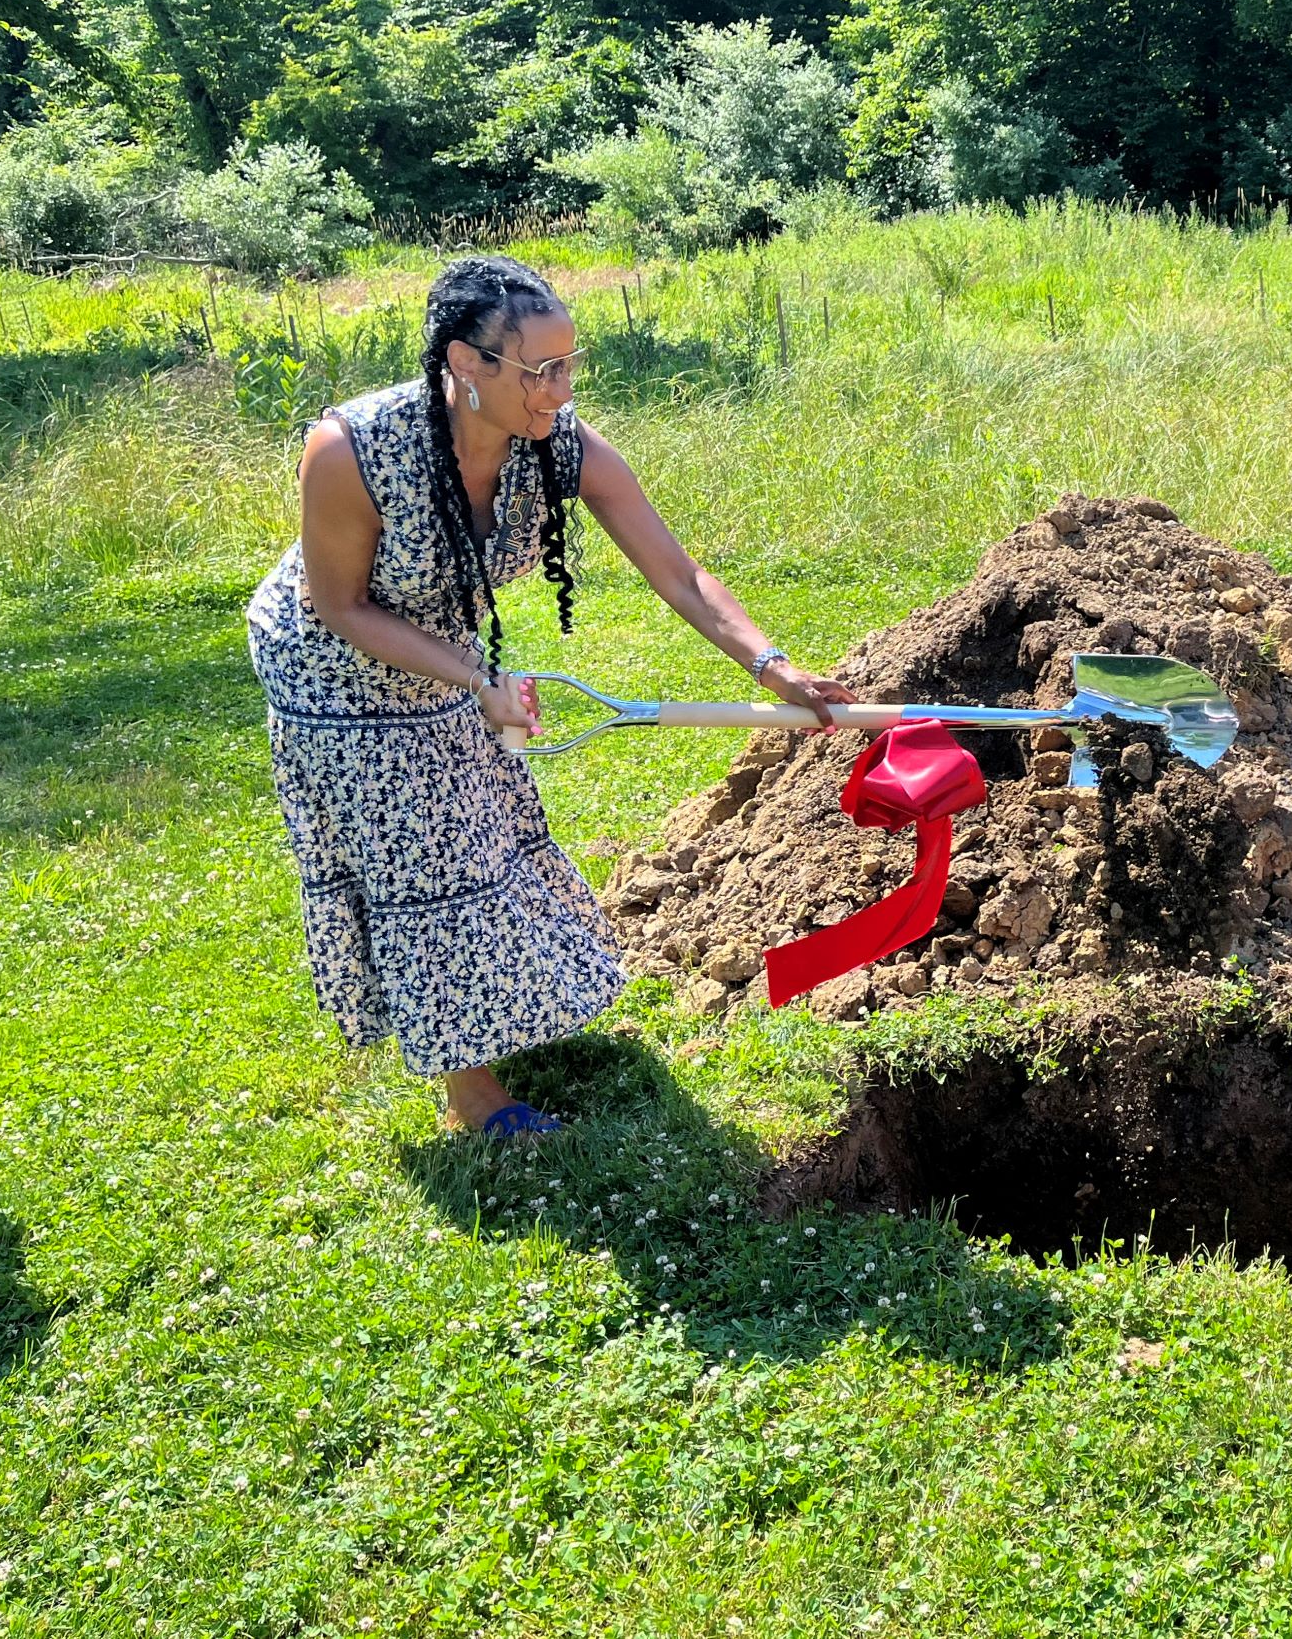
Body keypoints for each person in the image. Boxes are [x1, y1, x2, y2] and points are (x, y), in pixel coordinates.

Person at [245, 255, 851, 1137]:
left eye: (570, 367)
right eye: (540, 371)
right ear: (465, 363)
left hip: (437, 650)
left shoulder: (556, 444)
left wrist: (772, 663)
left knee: (481, 815)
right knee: (420, 848)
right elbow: (338, 605)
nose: (561, 391)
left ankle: (497, 1007)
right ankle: (472, 1094)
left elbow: (679, 574)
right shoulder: (352, 450)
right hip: (327, 658)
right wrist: (478, 680)